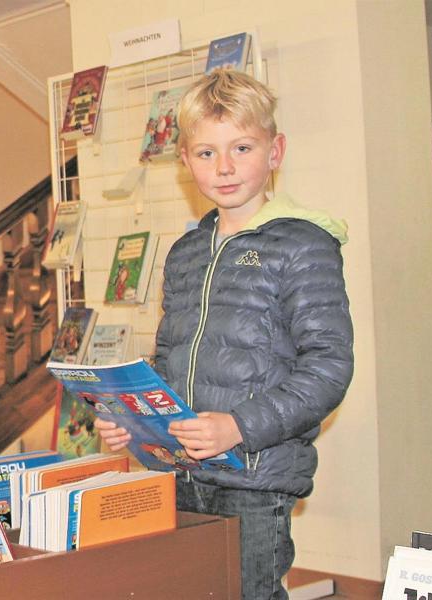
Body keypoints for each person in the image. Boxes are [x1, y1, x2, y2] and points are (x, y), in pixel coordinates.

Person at [94, 69, 353, 600]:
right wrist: (131, 419)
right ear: (185, 161)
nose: (225, 167)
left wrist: (238, 426)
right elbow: (170, 360)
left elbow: (328, 366)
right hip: (181, 472)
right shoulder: (186, 252)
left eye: (242, 147)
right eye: (206, 153)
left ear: (275, 151)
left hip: (255, 478)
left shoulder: (304, 244)